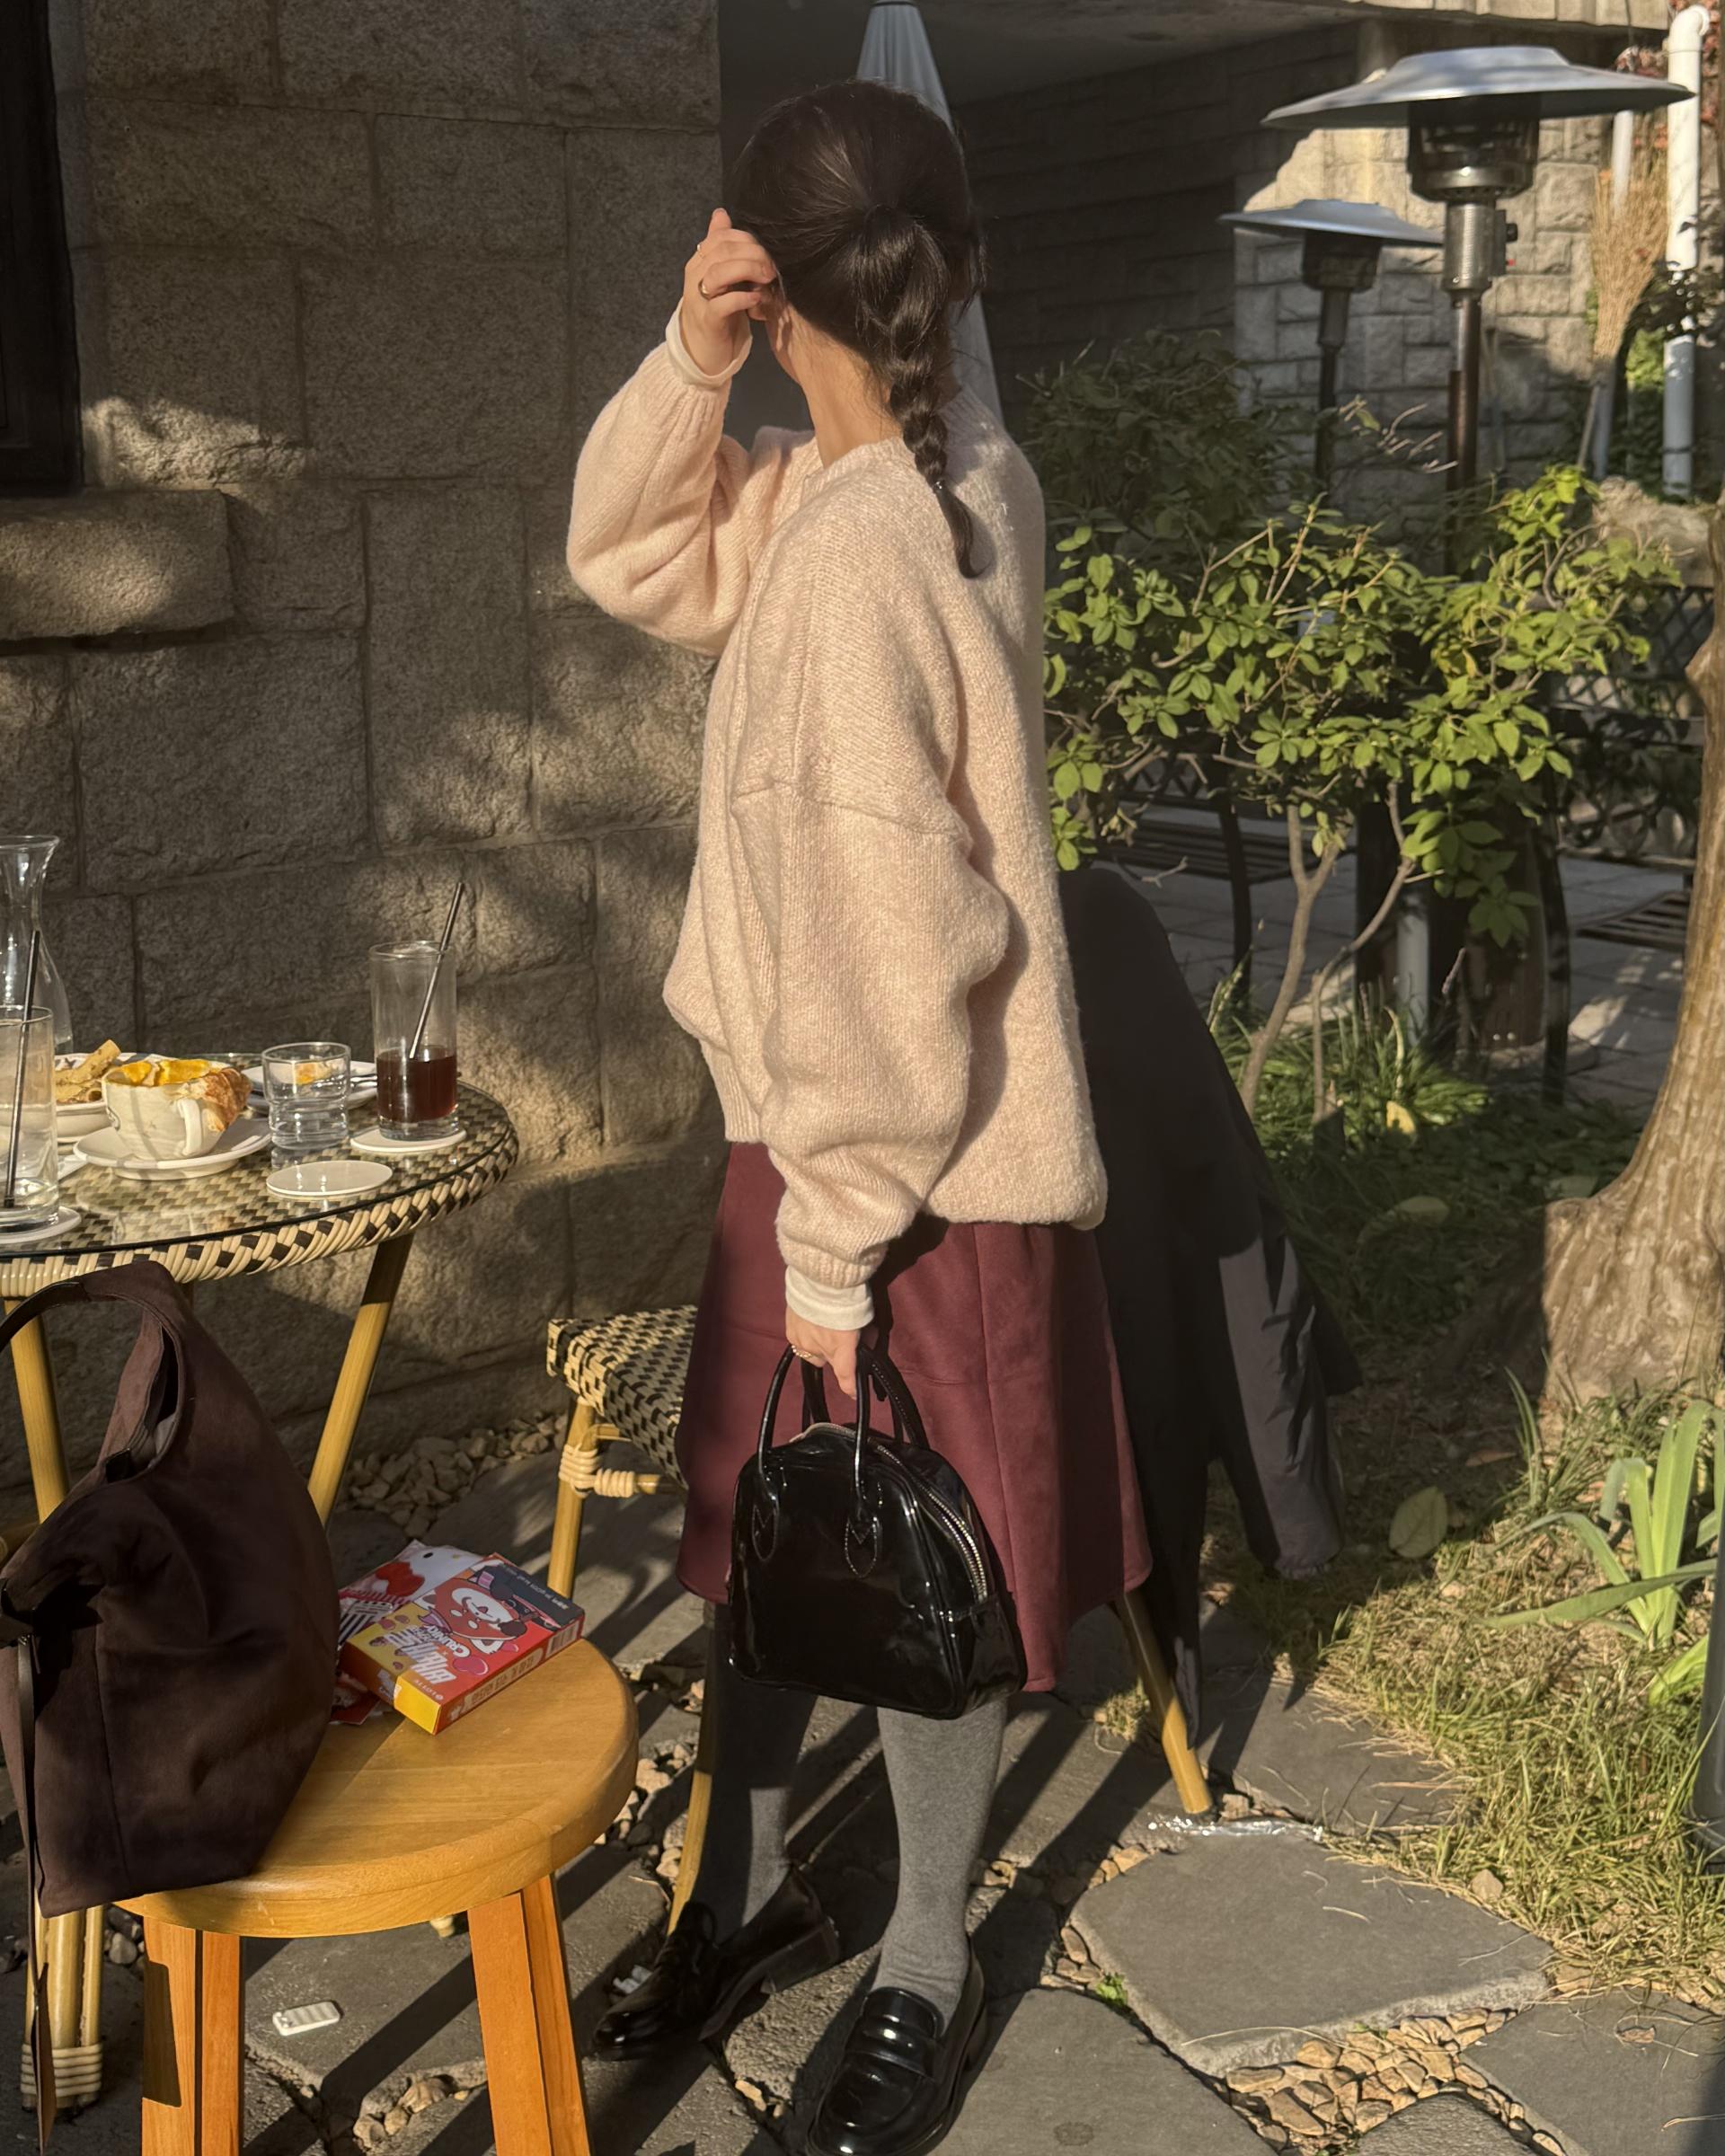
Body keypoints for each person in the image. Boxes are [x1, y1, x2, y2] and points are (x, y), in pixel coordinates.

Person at [565, 79, 1150, 2156]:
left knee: (920, 1572)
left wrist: (829, 1246)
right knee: (781, 1535)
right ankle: (737, 1901)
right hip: (874, 1144)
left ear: (778, 274)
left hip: (891, 1169)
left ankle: (919, 1962)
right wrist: (694, 365)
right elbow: (636, 551)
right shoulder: (937, 479)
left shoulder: (858, 556)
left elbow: (901, 961)